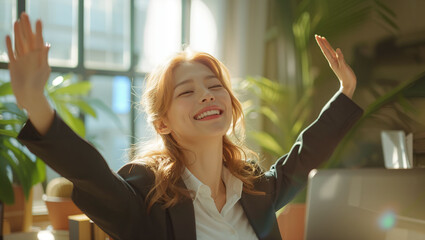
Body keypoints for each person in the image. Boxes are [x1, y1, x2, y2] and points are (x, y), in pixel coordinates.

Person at [6, 12, 363, 240]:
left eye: (214, 87)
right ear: (162, 122)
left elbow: (303, 157)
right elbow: (91, 174)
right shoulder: (147, 197)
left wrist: (346, 91)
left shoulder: (253, 189)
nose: (207, 96)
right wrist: (36, 101)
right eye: (187, 91)